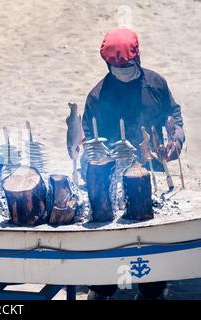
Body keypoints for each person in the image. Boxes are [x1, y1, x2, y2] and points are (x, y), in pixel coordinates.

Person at [81, 27, 185, 300]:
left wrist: (176, 140)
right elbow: (89, 142)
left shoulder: (156, 84)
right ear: (107, 64)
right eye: (117, 68)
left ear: (137, 59)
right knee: (111, 248)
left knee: (153, 239)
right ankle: (102, 289)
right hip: (114, 177)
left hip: (153, 169)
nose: (123, 71)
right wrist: (95, 160)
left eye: (127, 66)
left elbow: (173, 115)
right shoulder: (96, 97)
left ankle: (152, 291)